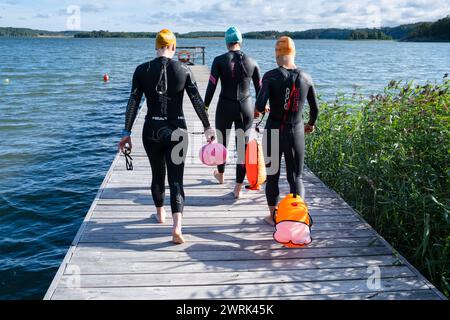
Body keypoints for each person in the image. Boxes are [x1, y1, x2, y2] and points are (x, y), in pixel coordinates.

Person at [118, 29, 215, 244]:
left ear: (156, 47)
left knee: (157, 175)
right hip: (178, 132)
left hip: (151, 130)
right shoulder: (184, 69)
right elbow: (197, 101)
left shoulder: (142, 70)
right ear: (173, 47)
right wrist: (208, 127)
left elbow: (132, 103)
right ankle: (177, 227)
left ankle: (160, 215)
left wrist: (126, 133)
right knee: (176, 180)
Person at [254, 36, 319, 226]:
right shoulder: (306, 77)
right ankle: (297, 218)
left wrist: (260, 109)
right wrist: (311, 124)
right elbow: (315, 109)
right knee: (296, 177)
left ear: (277, 54)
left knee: (272, 175)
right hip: (295, 131)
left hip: (274, 130)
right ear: (294, 53)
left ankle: (273, 217)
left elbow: (259, 104)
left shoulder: (270, 76)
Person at [204, 26, 262, 199]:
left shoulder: (219, 60)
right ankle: (237, 188)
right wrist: (259, 108)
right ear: (240, 41)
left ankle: (220, 176)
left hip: (224, 107)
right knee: (242, 149)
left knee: (222, 143)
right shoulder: (252, 61)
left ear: (226, 42)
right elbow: (260, 90)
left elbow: (211, 87)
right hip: (246, 107)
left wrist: (204, 108)